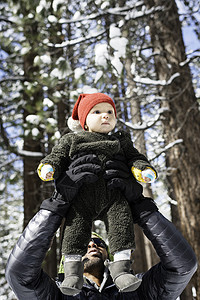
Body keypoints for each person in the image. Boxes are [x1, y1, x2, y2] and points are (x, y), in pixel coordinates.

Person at [6, 154, 197, 300]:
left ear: (110, 254)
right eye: (84, 245)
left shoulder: (137, 289)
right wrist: (56, 206)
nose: (92, 246)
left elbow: (182, 266)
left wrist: (143, 208)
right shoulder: (57, 294)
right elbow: (19, 274)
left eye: (98, 243)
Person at [37, 93, 157, 295]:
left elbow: (135, 157)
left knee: (121, 225)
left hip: (113, 196)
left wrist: (141, 169)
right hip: (81, 196)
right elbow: (56, 156)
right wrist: (49, 167)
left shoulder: (121, 141)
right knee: (75, 229)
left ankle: (121, 270)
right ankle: (73, 274)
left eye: (110, 112)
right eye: (98, 112)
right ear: (84, 121)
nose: (106, 116)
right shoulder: (72, 140)